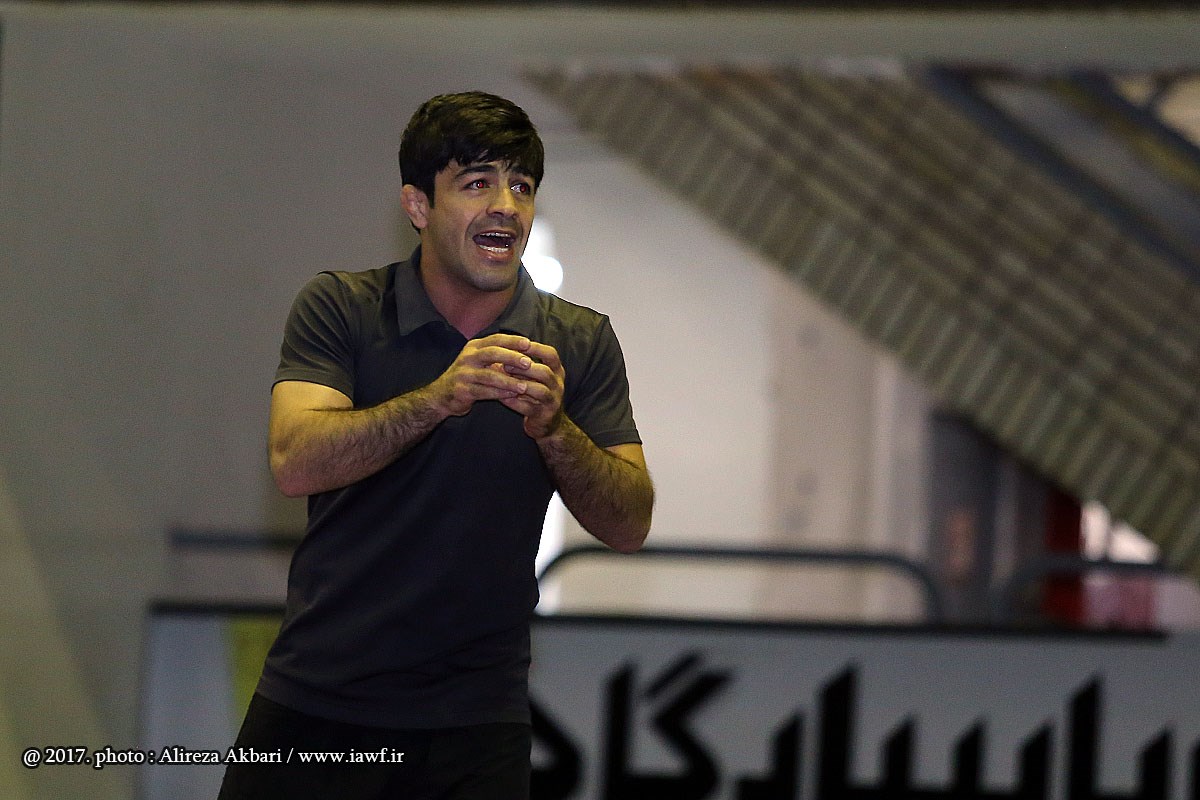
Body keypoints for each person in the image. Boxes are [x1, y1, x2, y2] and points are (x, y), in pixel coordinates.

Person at [216, 91, 654, 800]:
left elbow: (629, 523)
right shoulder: (343, 308)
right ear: (417, 205)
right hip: (319, 703)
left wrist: (556, 430)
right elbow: (296, 460)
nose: (505, 207)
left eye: (522, 186)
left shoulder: (578, 341)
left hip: (476, 725)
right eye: (478, 183)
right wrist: (438, 398)